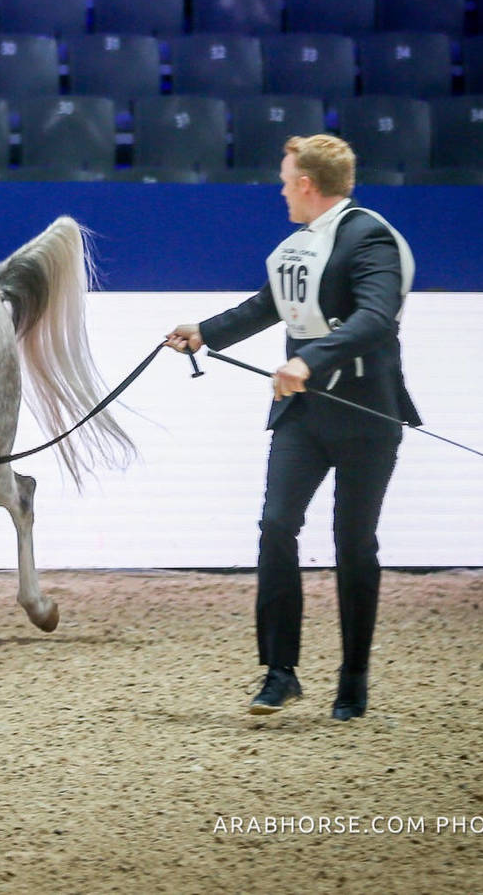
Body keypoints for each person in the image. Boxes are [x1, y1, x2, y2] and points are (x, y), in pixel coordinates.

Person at [166, 134, 418, 721]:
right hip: (303, 417)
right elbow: (267, 305)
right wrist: (205, 333)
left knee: (354, 544)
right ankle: (280, 672)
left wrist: (308, 360)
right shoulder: (298, 245)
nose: (280, 191)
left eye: (285, 182)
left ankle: (352, 679)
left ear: (306, 184)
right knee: (276, 525)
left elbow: (375, 318)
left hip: (366, 415)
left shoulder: (370, 238)